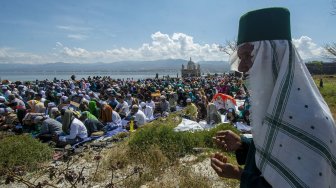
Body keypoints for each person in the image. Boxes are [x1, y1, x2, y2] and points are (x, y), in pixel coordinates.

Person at [211, 8, 336, 187]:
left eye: (248, 56)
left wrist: (241, 175)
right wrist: (243, 144)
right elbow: (279, 149)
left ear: (274, 55)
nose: (242, 68)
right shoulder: (273, 105)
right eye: (240, 58)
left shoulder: (312, 123)